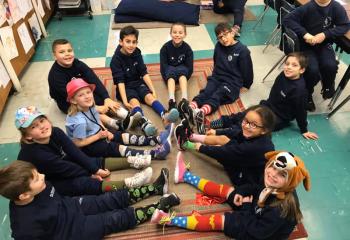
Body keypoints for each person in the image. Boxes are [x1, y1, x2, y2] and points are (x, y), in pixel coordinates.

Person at [0, 160, 181, 239]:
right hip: (73, 231)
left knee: (111, 198)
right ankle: (159, 207)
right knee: (115, 219)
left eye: (37, 173)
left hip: (71, 206)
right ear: (24, 195)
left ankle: (156, 188)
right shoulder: (24, 226)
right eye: (37, 178)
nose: (43, 175)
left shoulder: (41, 186)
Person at [151, 151, 311, 240]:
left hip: (257, 232)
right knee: (229, 191)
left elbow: (257, 232)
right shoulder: (272, 182)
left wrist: (247, 207)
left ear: (290, 182)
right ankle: (185, 176)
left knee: (221, 220)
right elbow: (255, 187)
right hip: (256, 210)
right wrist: (241, 193)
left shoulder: (281, 210)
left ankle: (168, 220)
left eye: (282, 174)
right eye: (272, 168)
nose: (273, 174)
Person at [15, 106, 170, 196]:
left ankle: (131, 161)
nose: (42, 126)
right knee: (81, 183)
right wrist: (90, 173)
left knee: (88, 160)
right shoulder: (37, 154)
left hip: (57, 164)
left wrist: (94, 168)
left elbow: (74, 152)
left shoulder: (55, 131)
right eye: (34, 126)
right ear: (28, 137)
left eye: (41, 120)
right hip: (44, 181)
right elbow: (64, 169)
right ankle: (128, 184)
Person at [65, 78, 172, 160]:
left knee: (120, 135)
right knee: (116, 148)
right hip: (88, 146)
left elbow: (97, 119)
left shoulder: (89, 105)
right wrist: (98, 137)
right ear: (74, 101)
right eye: (81, 95)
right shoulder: (79, 122)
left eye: (88, 92)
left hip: (97, 133)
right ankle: (153, 154)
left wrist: (104, 131)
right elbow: (78, 143)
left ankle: (154, 140)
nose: (87, 96)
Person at [178, 22, 253, 134]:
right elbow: (216, 61)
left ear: (232, 33)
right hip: (217, 76)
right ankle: (190, 108)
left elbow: (247, 70)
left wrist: (247, 85)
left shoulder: (242, 50)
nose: (223, 39)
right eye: (220, 37)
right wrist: (215, 76)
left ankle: (201, 113)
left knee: (218, 95)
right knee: (206, 91)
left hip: (232, 82)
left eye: (225, 34)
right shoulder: (218, 46)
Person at [175, 105, 275, 186]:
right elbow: (237, 133)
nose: (246, 126)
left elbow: (225, 153)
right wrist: (217, 132)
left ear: (264, 130)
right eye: (245, 121)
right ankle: (191, 136)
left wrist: (200, 147)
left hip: (246, 178)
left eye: (253, 125)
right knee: (223, 139)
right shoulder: (257, 135)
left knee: (220, 151)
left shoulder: (255, 148)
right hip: (244, 157)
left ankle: (186, 144)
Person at [110, 25, 179, 136]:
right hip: (126, 87)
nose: (131, 45)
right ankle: (144, 124)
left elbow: (143, 72)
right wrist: (124, 101)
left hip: (138, 82)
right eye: (128, 41)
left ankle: (165, 115)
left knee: (149, 97)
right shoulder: (115, 60)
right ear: (120, 42)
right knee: (134, 102)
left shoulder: (137, 52)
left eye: (134, 42)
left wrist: (153, 90)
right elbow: (120, 82)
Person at [283, 0, 350, 111]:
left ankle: (328, 85)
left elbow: (345, 25)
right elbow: (287, 19)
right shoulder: (308, 7)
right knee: (312, 70)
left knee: (330, 65)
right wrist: (305, 34)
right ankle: (307, 94)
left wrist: (325, 34)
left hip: (324, 44)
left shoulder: (336, 7)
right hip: (306, 46)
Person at [48, 38, 130, 123]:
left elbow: (93, 79)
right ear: (54, 55)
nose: (67, 54)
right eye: (62, 52)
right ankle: (114, 124)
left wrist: (106, 98)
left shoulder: (77, 63)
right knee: (84, 111)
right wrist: (96, 108)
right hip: (67, 101)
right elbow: (70, 97)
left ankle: (128, 116)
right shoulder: (55, 76)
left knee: (101, 99)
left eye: (69, 50)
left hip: (81, 91)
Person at [160, 22, 193, 111]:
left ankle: (184, 100)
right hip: (169, 68)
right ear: (170, 34)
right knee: (170, 77)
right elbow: (163, 67)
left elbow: (190, 67)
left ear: (185, 34)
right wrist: (166, 79)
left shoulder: (188, 49)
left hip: (182, 68)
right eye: (174, 32)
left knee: (183, 75)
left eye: (180, 32)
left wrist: (186, 77)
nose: (177, 35)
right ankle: (171, 100)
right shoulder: (165, 48)